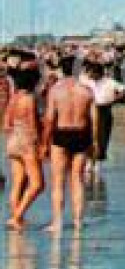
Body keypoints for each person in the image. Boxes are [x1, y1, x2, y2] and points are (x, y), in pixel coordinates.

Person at [41, 67, 95, 232]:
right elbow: (94, 119)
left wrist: (44, 142)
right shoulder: (86, 91)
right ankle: (78, 221)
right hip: (81, 133)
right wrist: (94, 142)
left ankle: (57, 222)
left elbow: (50, 119)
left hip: (62, 133)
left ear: (61, 70)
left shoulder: (56, 90)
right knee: (77, 179)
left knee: (58, 181)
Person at [5, 65, 44, 230]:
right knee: (38, 184)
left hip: (12, 140)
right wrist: (40, 144)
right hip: (27, 141)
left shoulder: (13, 98)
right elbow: (33, 124)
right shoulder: (30, 99)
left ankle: (16, 219)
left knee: (17, 183)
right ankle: (17, 216)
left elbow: (6, 124)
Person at [82, 60, 125, 178]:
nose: (90, 75)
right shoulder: (87, 81)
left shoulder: (109, 82)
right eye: (89, 73)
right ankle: (88, 161)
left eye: (92, 73)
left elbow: (123, 90)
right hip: (89, 109)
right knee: (88, 136)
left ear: (98, 73)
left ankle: (97, 163)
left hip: (104, 109)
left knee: (102, 136)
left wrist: (114, 99)